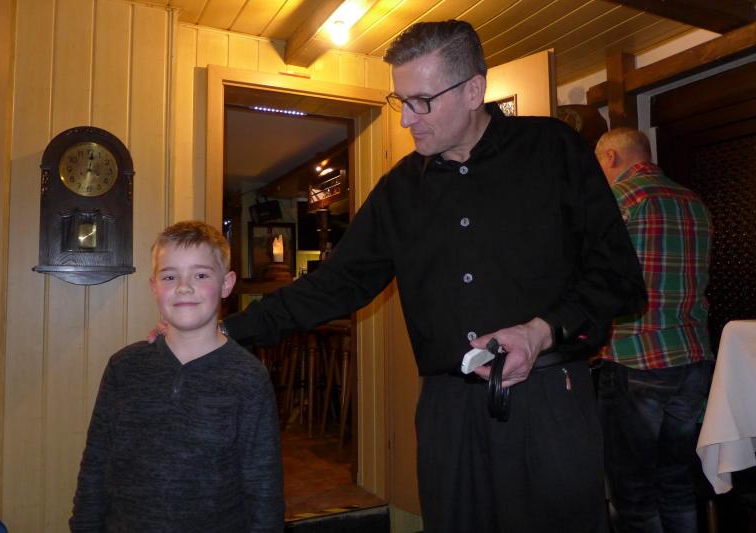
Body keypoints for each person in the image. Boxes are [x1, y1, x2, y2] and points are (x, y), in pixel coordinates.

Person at [154, 21, 645, 532]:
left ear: (473, 91)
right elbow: (333, 285)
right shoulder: (400, 190)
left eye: (422, 101)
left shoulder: (554, 149)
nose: (408, 119)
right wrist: (219, 333)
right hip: (447, 412)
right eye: (400, 101)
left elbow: (619, 277)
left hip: (549, 401)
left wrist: (540, 331)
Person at [71, 221, 284, 532]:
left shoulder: (249, 378)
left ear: (226, 284)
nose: (184, 287)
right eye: (170, 277)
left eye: (201, 275)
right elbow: (95, 465)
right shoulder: (123, 368)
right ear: (154, 287)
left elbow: (263, 488)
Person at [595, 128, 713, 533]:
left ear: (611, 157)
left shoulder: (619, 200)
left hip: (636, 357)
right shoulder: (694, 202)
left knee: (634, 493)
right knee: (677, 482)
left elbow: (591, 275)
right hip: (693, 357)